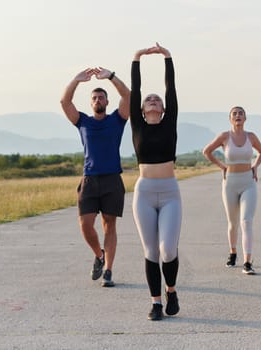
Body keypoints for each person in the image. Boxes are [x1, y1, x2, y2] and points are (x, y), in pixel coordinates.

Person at [60, 66, 130, 287]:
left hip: (112, 179)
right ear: (91, 103)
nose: (98, 100)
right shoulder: (83, 121)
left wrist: (110, 77)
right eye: (94, 98)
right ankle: (99, 255)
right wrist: (76, 80)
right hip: (89, 179)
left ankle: (108, 270)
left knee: (109, 225)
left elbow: (128, 96)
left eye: (101, 97)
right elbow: (65, 102)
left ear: (107, 102)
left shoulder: (117, 120)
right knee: (85, 224)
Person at [130, 43, 181, 321]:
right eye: (148, 99)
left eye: (156, 99)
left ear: (162, 108)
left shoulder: (169, 121)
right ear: (141, 108)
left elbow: (170, 88)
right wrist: (136, 58)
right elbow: (135, 89)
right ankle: (156, 302)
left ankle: (171, 289)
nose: (152, 100)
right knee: (151, 251)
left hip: (170, 192)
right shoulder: (136, 125)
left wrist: (167, 57)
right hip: (145, 192)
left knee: (168, 249)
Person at [202, 106, 261, 275]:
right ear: (230, 119)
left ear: (245, 118)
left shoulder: (251, 137)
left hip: (248, 182)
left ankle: (247, 261)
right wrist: (221, 166)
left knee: (246, 221)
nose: (238, 116)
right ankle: (233, 253)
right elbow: (207, 151)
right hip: (230, 182)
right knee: (233, 222)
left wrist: (255, 166)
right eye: (235, 114)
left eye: (241, 113)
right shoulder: (224, 136)